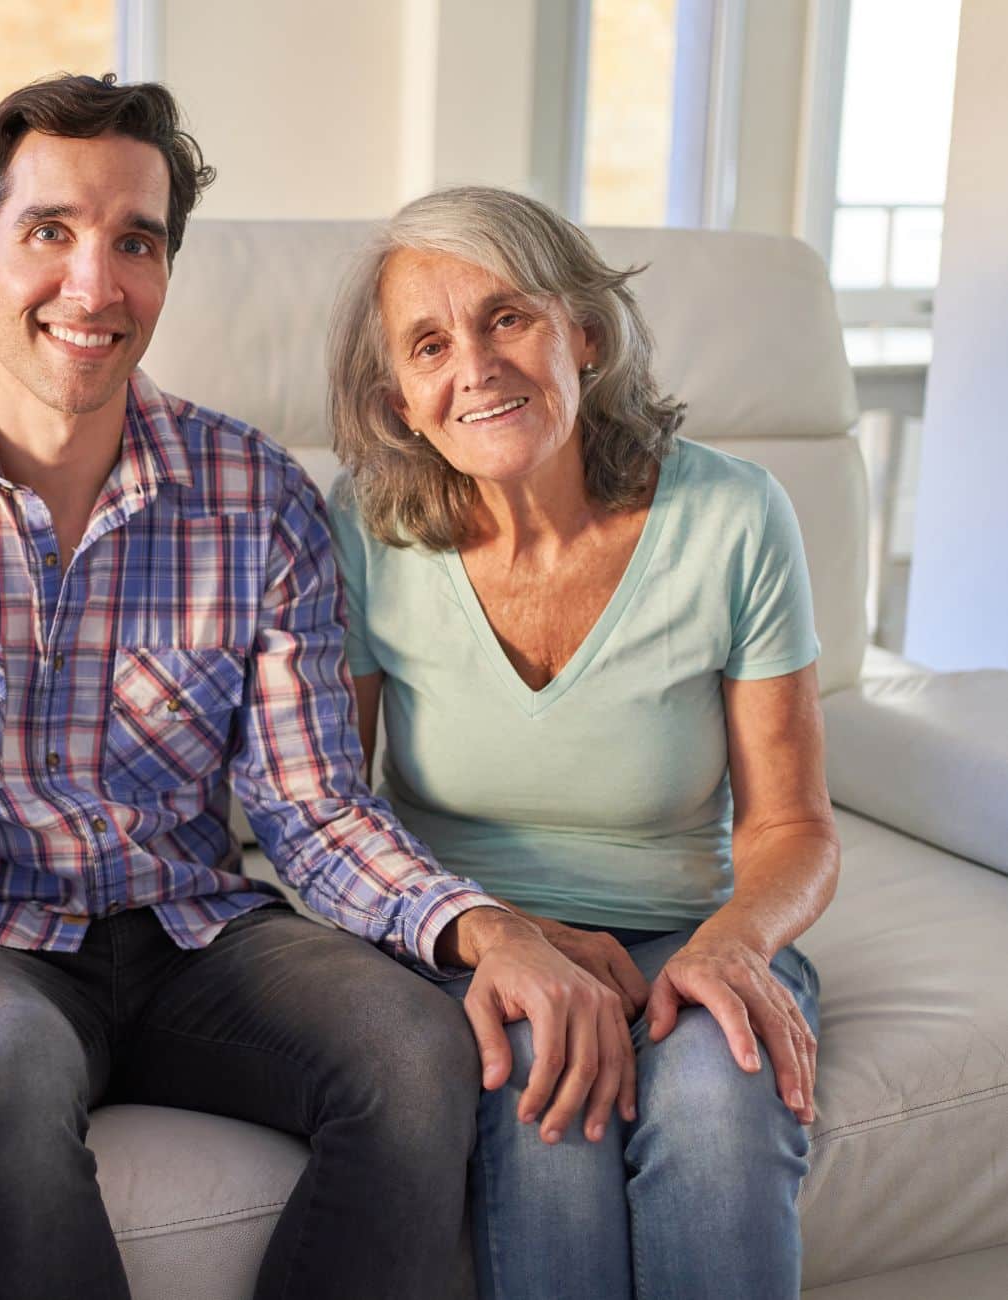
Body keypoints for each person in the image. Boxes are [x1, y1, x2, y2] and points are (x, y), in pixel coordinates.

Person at [0, 75, 632, 1300]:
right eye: (49, 232)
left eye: (135, 242)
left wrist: (489, 930)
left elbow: (313, 806)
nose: (93, 284)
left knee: (414, 1043)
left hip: (193, 930)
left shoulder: (257, 495)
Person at [324, 185, 839, 1299]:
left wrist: (732, 944)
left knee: (717, 1106)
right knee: (545, 1134)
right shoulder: (364, 528)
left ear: (585, 334)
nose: (474, 365)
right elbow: (327, 806)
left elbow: (792, 823)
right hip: (476, 944)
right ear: (401, 401)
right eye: (428, 344)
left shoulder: (735, 517)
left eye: (506, 316)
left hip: (689, 931)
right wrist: (495, 936)